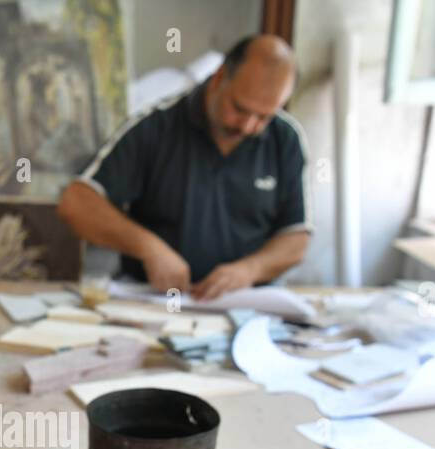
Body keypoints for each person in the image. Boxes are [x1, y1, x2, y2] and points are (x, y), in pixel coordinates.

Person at [58, 34, 311, 300]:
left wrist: (250, 269)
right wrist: (149, 247)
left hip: (247, 303)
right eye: (239, 109)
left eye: (264, 117)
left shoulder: (286, 139)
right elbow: (76, 204)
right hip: (158, 300)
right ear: (219, 77)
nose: (247, 126)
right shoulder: (155, 128)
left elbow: (296, 238)